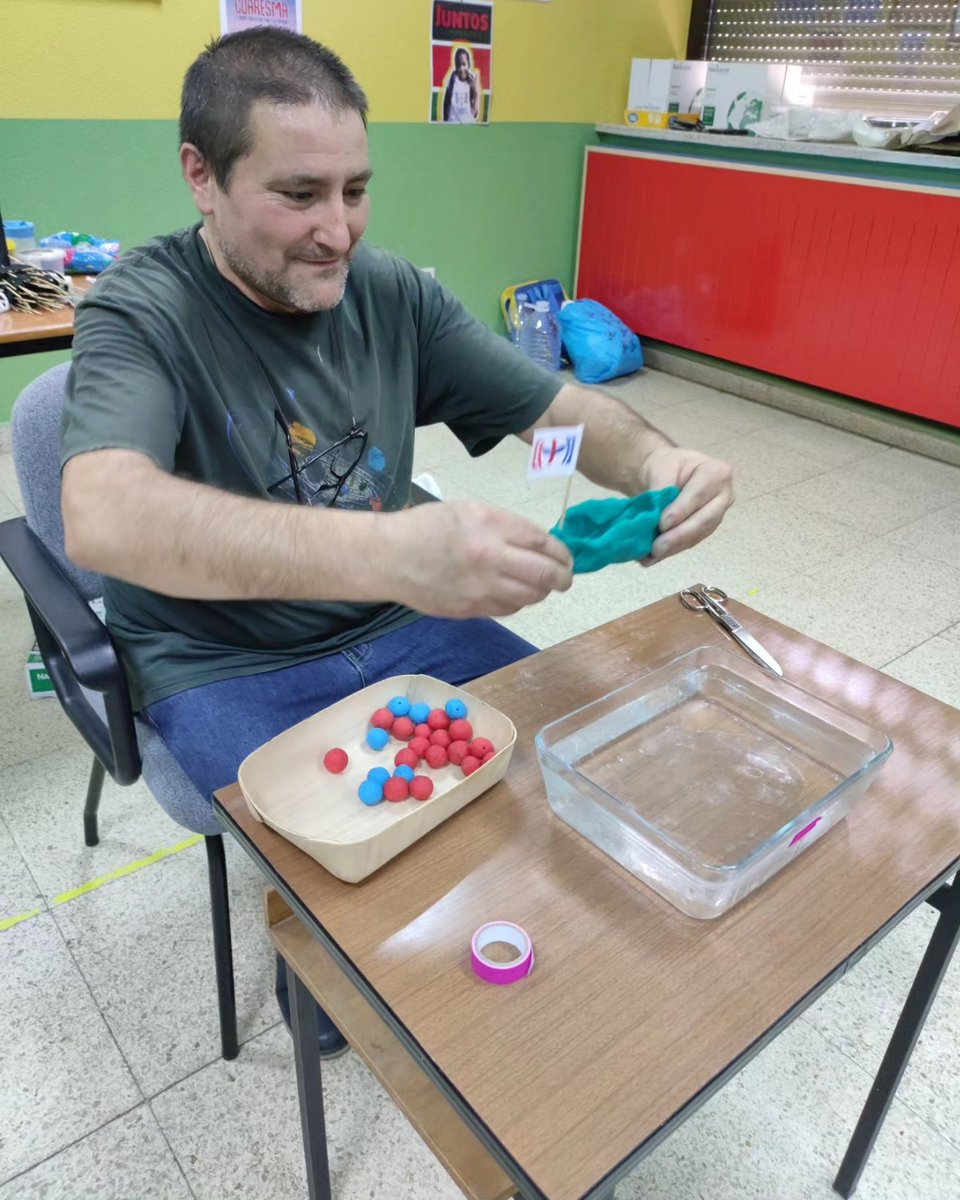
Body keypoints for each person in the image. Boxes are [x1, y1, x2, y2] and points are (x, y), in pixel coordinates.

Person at [60, 28, 734, 1055]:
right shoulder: (139, 311)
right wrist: (392, 555)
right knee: (367, 902)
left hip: (402, 626)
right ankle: (332, 971)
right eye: (298, 195)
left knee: (574, 780)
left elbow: (556, 410)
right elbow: (102, 515)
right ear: (201, 175)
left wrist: (656, 466)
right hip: (222, 662)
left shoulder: (393, 295)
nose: (338, 231)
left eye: (356, 190)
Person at [442, 47, 480, 123]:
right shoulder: (452, 80)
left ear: (468, 65)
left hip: (467, 125)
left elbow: (475, 111)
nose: (461, 68)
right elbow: (446, 105)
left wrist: (476, 91)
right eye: (458, 65)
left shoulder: (471, 82)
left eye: (464, 64)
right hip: (453, 124)